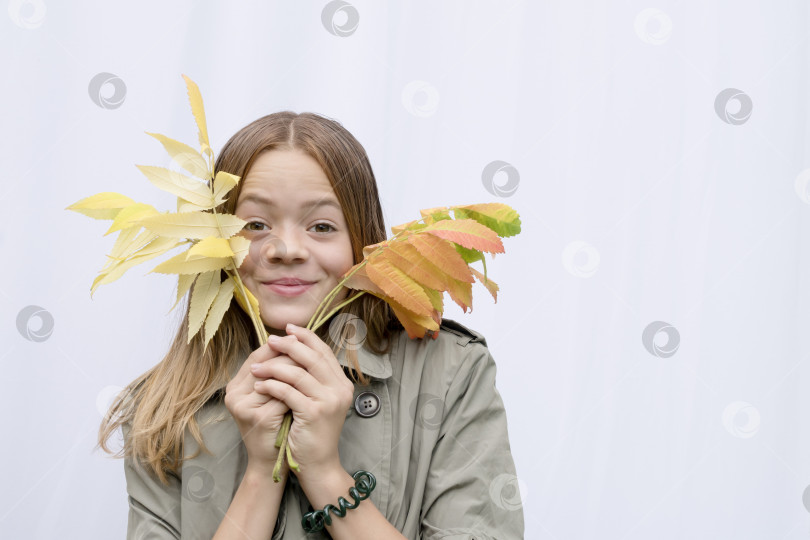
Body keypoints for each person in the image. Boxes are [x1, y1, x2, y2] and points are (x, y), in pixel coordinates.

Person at [97, 111, 524, 539]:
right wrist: (262, 472)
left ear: (362, 244)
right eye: (255, 226)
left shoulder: (450, 373)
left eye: (321, 226)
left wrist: (324, 471)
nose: (286, 249)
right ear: (216, 242)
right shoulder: (163, 408)